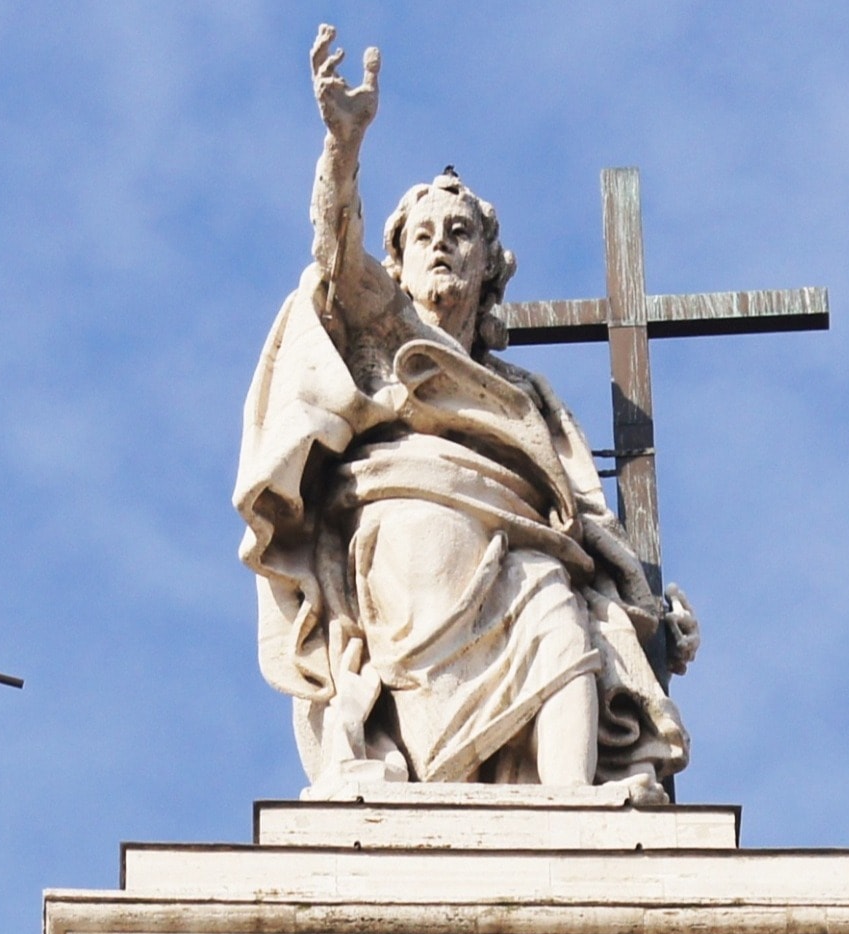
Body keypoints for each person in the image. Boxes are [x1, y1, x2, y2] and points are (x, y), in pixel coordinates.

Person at [235, 25, 692, 797]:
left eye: (459, 234)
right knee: (526, 583)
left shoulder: (529, 398)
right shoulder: (380, 335)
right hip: (405, 539)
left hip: (520, 551)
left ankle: (571, 801)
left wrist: (650, 618)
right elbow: (334, 252)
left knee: (553, 598)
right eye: (423, 236)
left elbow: (588, 523)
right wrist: (344, 146)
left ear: (488, 265)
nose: (441, 246)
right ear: (399, 262)